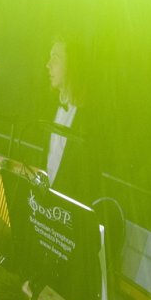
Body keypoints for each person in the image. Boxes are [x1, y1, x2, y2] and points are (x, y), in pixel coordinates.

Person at [42, 35, 101, 202]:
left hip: (65, 209)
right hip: (43, 203)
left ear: (71, 65)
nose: (48, 65)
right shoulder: (48, 108)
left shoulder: (89, 118)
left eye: (55, 59)